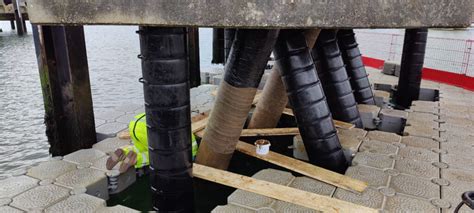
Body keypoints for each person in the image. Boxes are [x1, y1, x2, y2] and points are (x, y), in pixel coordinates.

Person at [106, 113, 198, 173]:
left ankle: (121, 152)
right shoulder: (190, 147)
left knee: (140, 147)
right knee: (157, 155)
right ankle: (135, 159)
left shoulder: (170, 114)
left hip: (136, 124)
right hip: (152, 130)